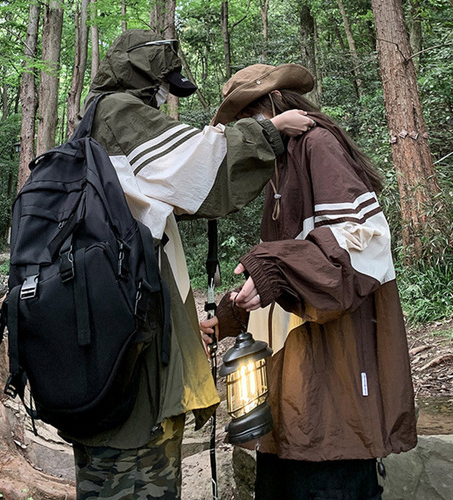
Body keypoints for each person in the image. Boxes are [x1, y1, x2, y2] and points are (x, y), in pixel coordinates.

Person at [64, 31, 314, 499]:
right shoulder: (119, 113)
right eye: (164, 87)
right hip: (134, 392)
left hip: (107, 360)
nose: (164, 100)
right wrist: (269, 132)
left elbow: (139, 247)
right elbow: (199, 167)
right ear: (144, 78)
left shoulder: (90, 132)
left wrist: (181, 325)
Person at [200, 64, 417, 500]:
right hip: (287, 392)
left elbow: (363, 246)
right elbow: (283, 268)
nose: (246, 130)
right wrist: (227, 317)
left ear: (275, 104)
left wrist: (270, 269)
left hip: (333, 384)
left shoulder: (317, 144)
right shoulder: (278, 166)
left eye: (248, 117)